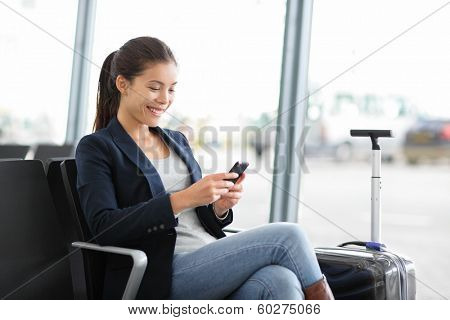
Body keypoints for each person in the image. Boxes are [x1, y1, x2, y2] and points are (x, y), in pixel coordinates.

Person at [75, 36, 334, 300]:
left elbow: (197, 219)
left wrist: (218, 208)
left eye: (172, 89)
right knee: (289, 236)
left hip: (209, 260)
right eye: (154, 88)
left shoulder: (176, 140)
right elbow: (104, 226)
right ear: (123, 84)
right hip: (160, 273)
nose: (165, 99)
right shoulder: (98, 147)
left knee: (281, 280)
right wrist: (183, 198)